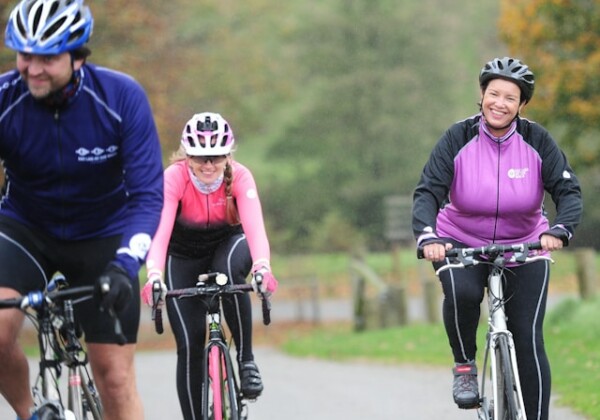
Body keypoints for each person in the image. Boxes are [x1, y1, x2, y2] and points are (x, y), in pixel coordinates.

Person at [0, 0, 164, 419]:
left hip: (104, 234)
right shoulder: (5, 100)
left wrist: (125, 265)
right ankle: (27, 413)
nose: (33, 69)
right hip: (26, 228)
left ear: (77, 57)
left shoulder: (121, 97)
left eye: (48, 58)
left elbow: (147, 195)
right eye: (24, 55)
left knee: (113, 375)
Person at [412, 57, 583, 420]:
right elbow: (428, 192)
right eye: (493, 94)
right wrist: (428, 236)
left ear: (522, 105)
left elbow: (568, 191)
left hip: (527, 245)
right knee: (464, 293)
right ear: (482, 95)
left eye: (510, 97)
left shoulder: (537, 140)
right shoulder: (458, 137)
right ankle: (463, 366)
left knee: (528, 340)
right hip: (460, 241)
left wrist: (559, 230)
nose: (499, 103)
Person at [141, 111, 278, 420]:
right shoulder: (173, 178)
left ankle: (245, 361)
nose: (208, 165)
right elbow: (159, 232)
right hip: (183, 256)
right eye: (200, 157)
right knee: (189, 346)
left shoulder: (240, 176)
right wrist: (153, 275)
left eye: (215, 157)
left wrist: (262, 267)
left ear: (227, 155)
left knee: (228, 269)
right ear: (187, 155)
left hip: (227, 245)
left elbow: (255, 228)